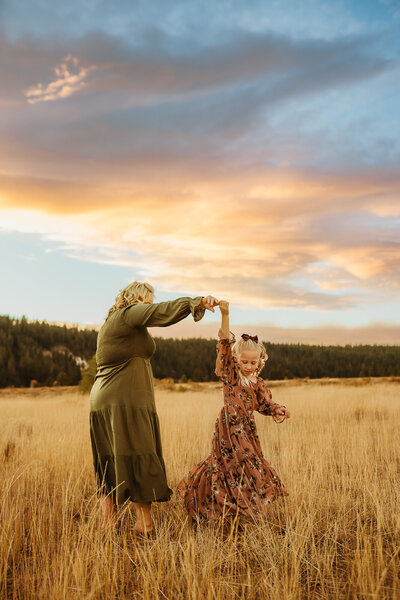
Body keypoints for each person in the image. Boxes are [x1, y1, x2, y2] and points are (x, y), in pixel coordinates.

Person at [89, 280, 218, 533]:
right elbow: (159, 313)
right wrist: (196, 302)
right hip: (124, 399)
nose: (149, 305)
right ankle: (144, 523)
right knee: (138, 450)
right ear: (137, 299)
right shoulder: (127, 314)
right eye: (147, 300)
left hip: (106, 398)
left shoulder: (112, 323)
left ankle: (110, 521)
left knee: (109, 457)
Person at [178, 300, 290, 520]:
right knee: (227, 466)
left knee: (251, 466)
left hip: (247, 429)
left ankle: (246, 508)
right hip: (228, 428)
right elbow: (225, 343)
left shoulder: (257, 383)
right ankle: (220, 509)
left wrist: (279, 409)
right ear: (237, 360)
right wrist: (225, 314)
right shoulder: (231, 375)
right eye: (244, 362)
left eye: (252, 363)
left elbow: (265, 404)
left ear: (259, 362)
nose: (248, 366)